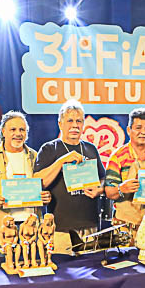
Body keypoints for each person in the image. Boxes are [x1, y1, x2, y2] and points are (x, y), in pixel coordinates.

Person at [34, 100, 106, 252]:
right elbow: (38, 182)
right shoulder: (49, 149)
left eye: (79, 121)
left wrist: (99, 189)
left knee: (91, 266)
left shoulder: (91, 149)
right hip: (60, 229)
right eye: (70, 121)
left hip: (90, 227)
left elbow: (103, 179)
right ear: (60, 124)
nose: (75, 125)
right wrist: (61, 161)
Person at [0, 111, 52, 254]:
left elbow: (42, 185)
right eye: (13, 129)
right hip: (3, 228)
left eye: (22, 130)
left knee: (33, 264)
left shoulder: (35, 156)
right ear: (3, 132)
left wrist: (45, 196)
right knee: (5, 267)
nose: (18, 134)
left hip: (32, 227)